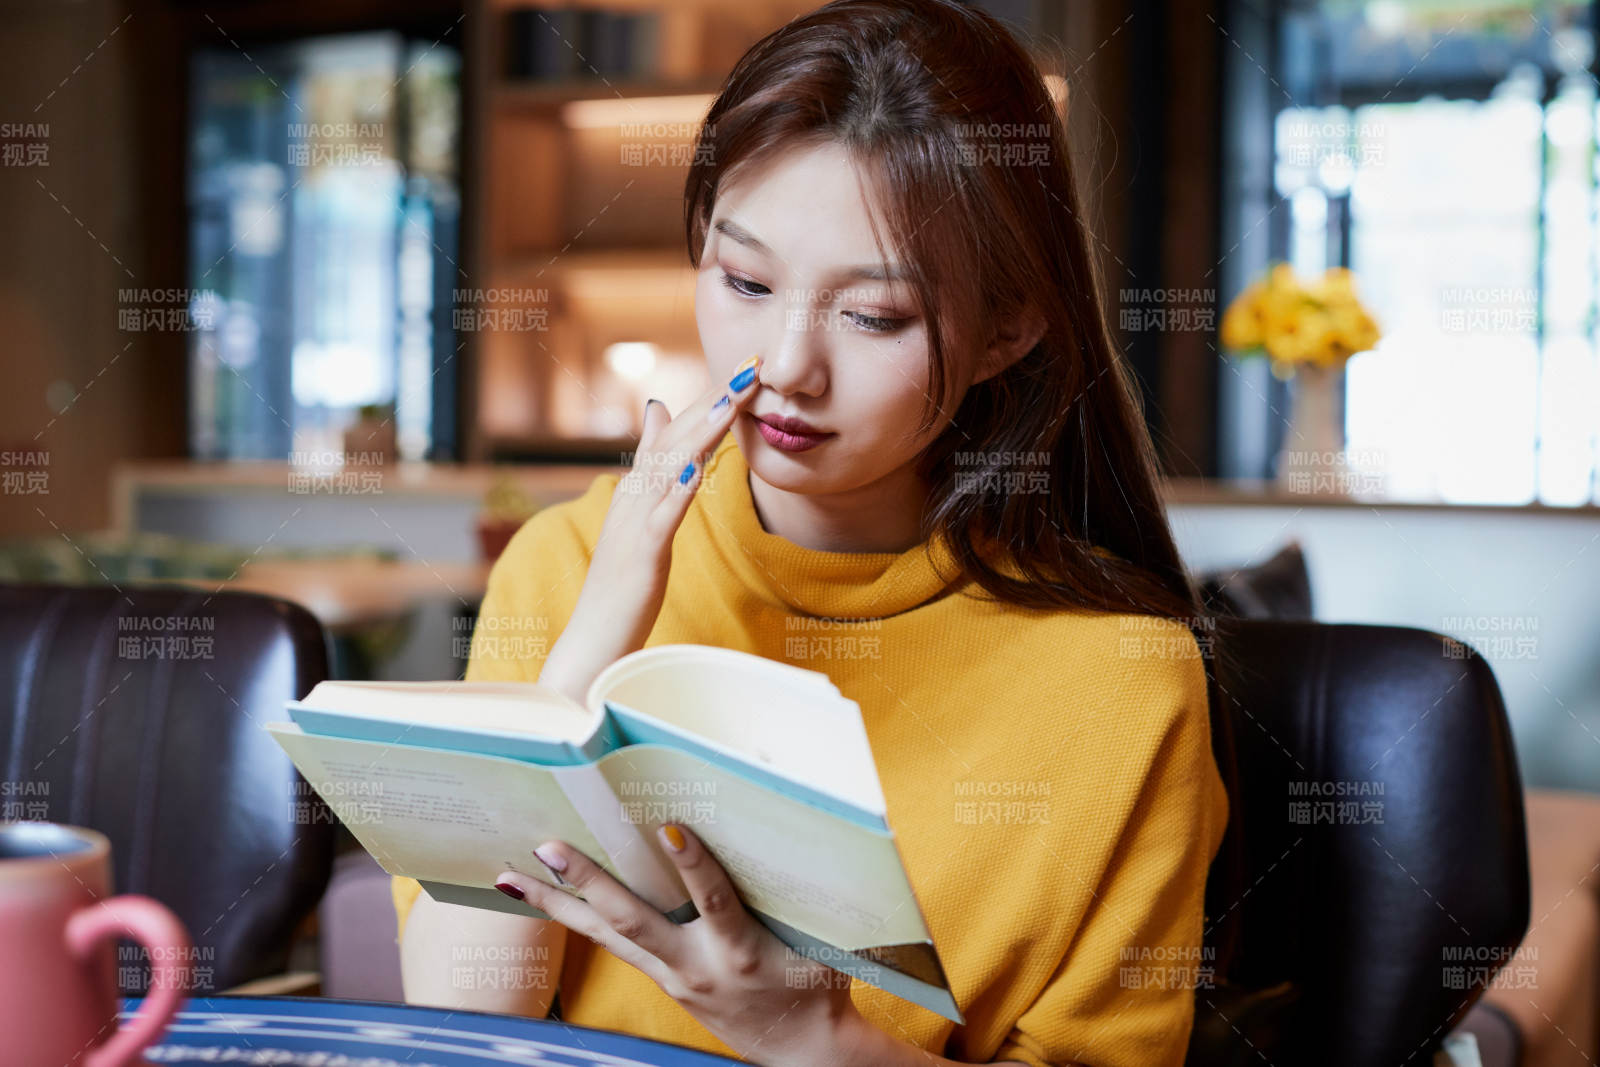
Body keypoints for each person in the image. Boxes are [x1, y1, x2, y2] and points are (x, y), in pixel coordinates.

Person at [392, 1, 1237, 1064]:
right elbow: (461, 1032)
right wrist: (589, 645)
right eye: (743, 280)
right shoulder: (566, 563)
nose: (787, 363)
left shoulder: (1122, 678)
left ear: (1008, 328)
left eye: (873, 315)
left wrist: (810, 1034)